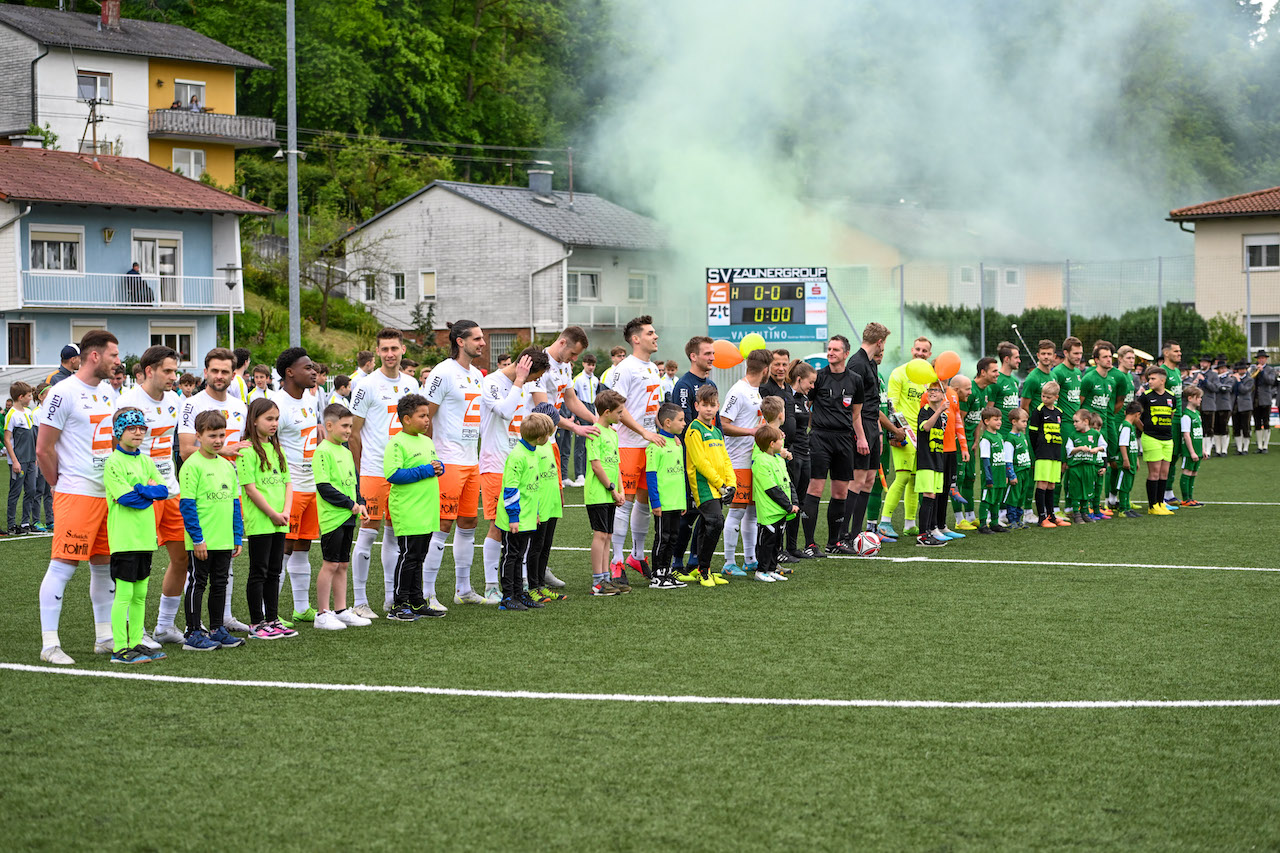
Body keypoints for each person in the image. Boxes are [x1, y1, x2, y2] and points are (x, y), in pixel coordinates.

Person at [35, 330, 122, 665]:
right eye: (113, 355)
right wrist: (59, 484)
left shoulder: (108, 392)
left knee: (104, 566)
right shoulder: (63, 392)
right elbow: (43, 449)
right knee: (63, 566)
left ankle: (104, 637)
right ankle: (50, 645)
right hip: (76, 493)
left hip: (106, 494)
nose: (118, 361)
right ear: (95, 356)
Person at [119, 346, 190, 646]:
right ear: (149, 371)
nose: (174, 377)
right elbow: (116, 451)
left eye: (175, 370)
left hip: (170, 492)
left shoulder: (175, 400)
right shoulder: (128, 402)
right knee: (136, 565)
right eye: (168, 371)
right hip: (141, 497)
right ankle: (133, 631)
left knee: (182, 558)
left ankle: (164, 625)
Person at [349, 327, 421, 616]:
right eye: (384, 349)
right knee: (367, 533)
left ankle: (392, 597)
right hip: (374, 471)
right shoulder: (365, 385)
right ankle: (359, 601)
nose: (390, 354)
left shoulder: (411, 383)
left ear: (403, 349)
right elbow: (354, 432)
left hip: (402, 473)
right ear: (377, 352)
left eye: (394, 348)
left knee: (394, 535)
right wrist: (359, 471)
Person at [422, 320, 487, 611]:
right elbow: (425, 418)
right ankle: (427, 593)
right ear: (460, 341)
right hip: (447, 460)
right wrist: (427, 457)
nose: (482, 343)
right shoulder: (442, 372)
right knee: (442, 524)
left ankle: (464, 589)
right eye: (477, 338)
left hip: (471, 461)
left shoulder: (476, 375)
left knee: (469, 523)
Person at [530, 327, 600, 586]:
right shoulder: (538, 364)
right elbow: (543, 408)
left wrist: (595, 420)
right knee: (537, 511)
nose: (574, 359)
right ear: (561, 343)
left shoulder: (565, 367)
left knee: (552, 508)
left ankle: (540, 569)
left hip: (551, 444)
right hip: (533, 444)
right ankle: (529, 573)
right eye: (573, 353)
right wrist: (574, 426)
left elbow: (571, 400)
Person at [102, 407, 170, 664]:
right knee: (124, 595)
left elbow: (163, 491)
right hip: (124, 538)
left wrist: (140, 489)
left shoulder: (146, 461)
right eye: (132, 428)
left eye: (142, 428)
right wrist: (145, 491)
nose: (138, 432)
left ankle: (136, 642)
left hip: (145, 538)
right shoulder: (113, 462)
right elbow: (127, 499)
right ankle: (120, 648)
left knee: (140, 594)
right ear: (119, 432)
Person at [478, 348, 546, 601]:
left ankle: (522, 584)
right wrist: (519, 380)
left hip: (520, 462)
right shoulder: (492, 382)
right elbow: (505, 411)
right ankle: (491, 586)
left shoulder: (524, 385)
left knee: (525, 524)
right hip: (496, 463)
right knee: (498, 526)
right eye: (534, 376)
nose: (534, 381)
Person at [178, 410, 246, 651]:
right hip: (202, 541)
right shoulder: (191, 465)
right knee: (198, 583)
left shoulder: (227, 465)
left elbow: (235, 503)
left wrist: (237, 535)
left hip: (224, 538)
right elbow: (187, 506)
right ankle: (193, 633)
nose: (218, 441)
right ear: (198, 436)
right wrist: (198, 539)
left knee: (220, 583)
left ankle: (217, 629)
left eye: (221, 435)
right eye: (212, 436)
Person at [610, 316, 666, 580]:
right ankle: (616, 561)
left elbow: (654, 408)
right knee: (624, 503)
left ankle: (637, 555)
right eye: (650, 333)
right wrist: (643, 432)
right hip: (628, 446)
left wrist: (666, 433)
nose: (656, 337)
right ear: (636, 339)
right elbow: (616, 408)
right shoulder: (624, 369)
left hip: (650, 446)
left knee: (645, 502)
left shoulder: (653, 368)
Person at [238, 397, 296, 640]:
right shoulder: (246, 450)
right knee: (259, 572)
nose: (274, 424)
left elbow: (288, 483)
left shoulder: (277, 448)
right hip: (261, 521)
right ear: (254, 420)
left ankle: (272, 619)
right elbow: (250, 489)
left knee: (274, 571)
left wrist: (285, 512)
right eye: (269, 419)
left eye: (276, 419)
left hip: (280, 521)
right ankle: (256, 623)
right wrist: (273, 514)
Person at [383, 393, 446, 621]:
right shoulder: (397, 442)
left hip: (427, 509)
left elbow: (432, 465)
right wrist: (427, 470)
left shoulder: (427, 441)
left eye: (427, 415)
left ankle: (417, 602)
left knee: (419, 556)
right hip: (408, 510)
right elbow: (393, 474)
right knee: (409, 556)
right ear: (407, 419)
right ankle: (399, 604)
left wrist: (439, 467)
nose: (427, 419)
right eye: (422, 416)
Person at [271, 347, 322, 623]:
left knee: (304, 545)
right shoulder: (275, 403)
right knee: (283, 549)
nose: (313, 372)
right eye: (307, 367)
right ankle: (270, 613)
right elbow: (266, 445)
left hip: (312, 486)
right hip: (289, 488)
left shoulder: (312, 399)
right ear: (290, 372)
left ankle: (301, 608)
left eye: (313, 367)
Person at [800, 335, 860, 558]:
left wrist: (855, 434)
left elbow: (856, 412)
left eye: (836, 349)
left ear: (846, 354)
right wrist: (815, 427)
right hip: (820, 438)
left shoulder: (855, 380)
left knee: (841, 491)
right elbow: (807, 405)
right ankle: (809, 544)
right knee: (815, 488)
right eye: (829, 349)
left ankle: (834, 542)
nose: (831, 352)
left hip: (844, 439)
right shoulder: (819, 377)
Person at [312, 403, 371, 630]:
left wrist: (361, 503)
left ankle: (341, 610)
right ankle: (322, 614)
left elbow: (354, 483)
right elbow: (324, 487)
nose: (349, 430)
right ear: (329, 425)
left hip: (349, 516)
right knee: (330, 564)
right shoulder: (323, 451)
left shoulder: (346, 452)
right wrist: (350, 504)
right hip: (332, 518)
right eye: (345, 426)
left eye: (350, 426)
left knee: (343, 564)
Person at [844, 324, 898, 545]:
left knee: (869, 481)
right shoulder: (857, 363)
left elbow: (873, 402)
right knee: (857, 481)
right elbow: (853, 406)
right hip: (861, 427)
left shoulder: (871, 363)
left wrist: (880, 434)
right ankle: (844, 535)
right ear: (879, 342)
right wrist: (861, 435)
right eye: (884, 343)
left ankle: (857, 533)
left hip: (873, 428)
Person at [495, 412, 554, 611]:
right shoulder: (517, 456)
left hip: (527, 517)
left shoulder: (534, 452)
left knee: (520, 556)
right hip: (514, 519)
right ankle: (507, 597)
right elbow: (510, 489)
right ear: (540, 438)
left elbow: (532, 488)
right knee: (511, 555)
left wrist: (535, 512)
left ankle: (520, 593)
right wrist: (513, 517)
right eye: (548, 434)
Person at [669, 336, 717, 573]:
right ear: (693, 356)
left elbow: (715, 424)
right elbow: (684, 426)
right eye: (707, 353)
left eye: (713, 353)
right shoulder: (684, 386)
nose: (712, 357)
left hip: (710, 460)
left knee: (707, 512)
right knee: (688, 513)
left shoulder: (711, 385)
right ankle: (677, 561)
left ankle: (695, 560)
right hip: (691, 461)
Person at [878, 336, 932, 539]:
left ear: (929, 354)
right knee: (902, 476)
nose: (920, 353)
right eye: (917, 349)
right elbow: (891, 404)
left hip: (923, 435)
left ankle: (910, 524)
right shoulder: (899, 372)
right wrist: (896, 431)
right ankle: (884, 522)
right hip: (904, 433)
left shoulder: (929, 377)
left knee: (915, 479)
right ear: (912, 350)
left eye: (924, 351)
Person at [720, 348, 769, 573]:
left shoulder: (755, 391)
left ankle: (750, 559)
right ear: (765, 369)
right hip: (737, 460)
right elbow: (723, 423)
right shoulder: (738, 391)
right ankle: (729, 563)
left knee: (752, 513)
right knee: (737, 511)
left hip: (752, 460)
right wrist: (751, 432)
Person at [680, 385, 732, 588]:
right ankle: (703, 570)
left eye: (712, 405)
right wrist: (721, 484)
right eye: (704, 405)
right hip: (703, 486)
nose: (708, 409)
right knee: (716, 521)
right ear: (696, 406)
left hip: (719, 486)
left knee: (707, 525)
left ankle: (704, 568)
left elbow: (725, 459)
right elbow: (700, 462)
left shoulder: (717, 431)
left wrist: (731, 484)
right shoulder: (694, 429)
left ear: (718, 406)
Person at [585, 389, 626, 595]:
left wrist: (621, 490)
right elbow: (596, 466)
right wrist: (611, 488)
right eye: (619, 412)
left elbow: (616, 464)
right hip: (597, 493)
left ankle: (606, 578)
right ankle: (597, 581)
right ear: (607, 412)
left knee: (608, 535)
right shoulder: (594, 433)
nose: (622, 416)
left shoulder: (613, 433)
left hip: (611, 493)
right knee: (600, 535)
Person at [528, 402, 569, 603]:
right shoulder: (533, 448)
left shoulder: (551, 445)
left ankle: (541, 585)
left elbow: (555, 471)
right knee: (536, 546)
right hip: (539, 503)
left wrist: (559, 493)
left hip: (551, 501)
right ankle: (532, 586)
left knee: (546, 545)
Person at [645, 402, 689, 589]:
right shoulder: (655, 446)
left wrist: (683, 500)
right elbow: (651, 476)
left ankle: (666, 571)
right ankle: (657, 575)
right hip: (663, 503)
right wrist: (655, 502)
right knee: (662, 538)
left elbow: (680, 474)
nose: (684, 423)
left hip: (676, 501)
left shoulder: (678, 443)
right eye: (681, 420)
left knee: (673, 538)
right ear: (668, 422)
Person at [751, 424, 797, 579]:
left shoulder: (778, 460)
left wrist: (794, 502)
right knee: (767, 542)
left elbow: (788, 483)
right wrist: (788, 506)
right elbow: (771, 489)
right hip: (769, 512)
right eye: (780, 440)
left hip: (781, 511)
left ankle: (771, 569)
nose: (782, 442)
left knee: (777, 543)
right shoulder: (760, 461)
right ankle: (761, 571)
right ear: (772, 443)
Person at [783, 360, 815, 558]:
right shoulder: (787, 396)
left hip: (805, 453)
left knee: (800, 501)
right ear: (799, 379)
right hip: (792, 455)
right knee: (789, 500)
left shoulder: (804, 399)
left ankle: (792, 547)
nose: (812, 386)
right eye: (810, 382)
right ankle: (780, 548)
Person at [1049, 336, 1084, 518]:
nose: (1079, 357)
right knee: (1061, 467)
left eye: (1080, 353)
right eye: (1075, 353)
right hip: (1063, 426)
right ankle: (1054, 507)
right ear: (1065, 353)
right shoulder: (1058, 372)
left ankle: (1071, 506)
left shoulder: (1078, 373)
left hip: (1076, 426)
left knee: (1074, 467)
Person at [914, 383, 950, 546]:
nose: (932, 392)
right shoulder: (925, 411)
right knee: (928, 496)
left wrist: (942, 412)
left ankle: (929, 531)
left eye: (936, 390)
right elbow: (926, 427)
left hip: (937, 460)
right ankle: (922, 535)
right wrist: (940, 410)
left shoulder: (944, 416)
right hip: (926, 460)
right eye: (930, 390)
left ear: (943, 394)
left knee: (933, 496)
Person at [1028, 380, 1067, 528]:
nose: (1044, 399)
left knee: (1051, 484)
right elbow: (1032, 434)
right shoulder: (1038, 411)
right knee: (1042, 483)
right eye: (1043, 396)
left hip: (1055, 453)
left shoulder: (1059, 413)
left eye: (1048, 397)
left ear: (1056, 397)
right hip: (1043, 453)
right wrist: (1038, 450)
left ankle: (1051, 516)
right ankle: (1042, 517)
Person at [1138, 365, 1176, 516]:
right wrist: (1145, 430)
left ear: (1162, 380)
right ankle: (1152, 505)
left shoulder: (1171, 396)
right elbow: (1135, 416)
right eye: (1149, 379)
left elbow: (1171, 416)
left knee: (1164, 473)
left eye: (1153, 379)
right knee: (1154, 473)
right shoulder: (1145, 396)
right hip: (1151, 438)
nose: (1150, 381)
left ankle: (1161, 503)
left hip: (1167, 439)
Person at [5, 381, 37, 535]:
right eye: (29, 396)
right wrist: (15, 461)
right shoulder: (11, 414)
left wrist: (35, 457)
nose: (31, 398)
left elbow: (32, 436)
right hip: (18, 461)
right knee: (15, 492)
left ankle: (25, 523)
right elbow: (7, 439)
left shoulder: (29, 412)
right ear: (20, 397)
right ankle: (11, 525)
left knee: (31, 490)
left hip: (31, 460)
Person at [974, 406, 1011, 535]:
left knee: (997, 500)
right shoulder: (986, 438)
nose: (999, 422)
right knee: (987, 499)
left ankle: (995, 523)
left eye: (1000, 419)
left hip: (1000, 475)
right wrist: (988, 478)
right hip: (991, 476)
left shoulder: (1000, 436)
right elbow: (985, 460)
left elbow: (1003, 457)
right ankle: (983, 524)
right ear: (986, 421)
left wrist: (1006, 474)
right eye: (996, 419)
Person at [1156, 340, 1184, 509]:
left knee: (1174, 456)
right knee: (1166, 457)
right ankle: (1162, 494)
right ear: (1166, 353)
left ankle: (1168, 492)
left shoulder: (1177, 371)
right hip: (1168, 419)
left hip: (1179, 418)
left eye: (1179, 351)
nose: (1179, 354)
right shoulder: (1162, 372)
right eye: (1176, 351)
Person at [1064, 410, 1104, 525]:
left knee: (1087, 489)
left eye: (1076, 421)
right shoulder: (1073, 435)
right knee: (1075, 490)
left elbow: (1103, 446)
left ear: (1086, 421)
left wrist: (1097, 449)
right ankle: (1076, 513)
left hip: (1089, 467)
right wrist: (1080, 448)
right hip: (1076, 467)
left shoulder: (1095, 434)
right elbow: (1069, 450)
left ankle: (1084, 513)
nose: (1074, 424)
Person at [570, 353, 600, 486]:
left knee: (592, 445)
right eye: (589, 364)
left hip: (592, 412)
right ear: (583, 364)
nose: (591, 367)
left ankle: (589, 472)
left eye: (593, 365)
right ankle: (579, 475)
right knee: (580, 446)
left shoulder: (596, 380)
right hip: (581, 411)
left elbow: (597, 398)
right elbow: (573, 399)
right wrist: (576, 417)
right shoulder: (577, 379)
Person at [1005, 408, 1033, 529]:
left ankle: (1018, 519)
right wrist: (1011, 475)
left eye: (1026, 421)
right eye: (1023, 421)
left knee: (1021, 496)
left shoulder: (1022, 436)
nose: (1025, 424)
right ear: (1014, 422)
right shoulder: (1010, 438)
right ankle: (1011, 520)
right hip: (1017, 472)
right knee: (1013, 496)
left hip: (1025, 470)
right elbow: (1008, 459)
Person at [1178, 386, 1206, 508]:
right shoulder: (1186, 416)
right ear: (1190, 398)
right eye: (1198, 397)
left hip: (1198, 449)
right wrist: (1192, 452)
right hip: (1190, 450)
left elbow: (1200, 433)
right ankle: (1185, 499)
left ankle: (1191, 497)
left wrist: (1203, 449)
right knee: (1187, 471)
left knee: (1194, 472)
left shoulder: (1197, 414)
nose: (1200, 400)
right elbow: (1186, 435)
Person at [1116, 402, 1143, 518]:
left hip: (1131, 460)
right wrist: (1125, 459)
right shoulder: (1126, 426)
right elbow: (1122, 444)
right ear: (1137, 414)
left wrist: (1136, 459)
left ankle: (1127, 507)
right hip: (1126, 462)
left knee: (1128, 485)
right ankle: (1123, 509)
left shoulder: (1130, 426)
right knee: (1124, 486)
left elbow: (1132, 445)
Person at [1019, 339, 1056, 416]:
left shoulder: (1054, 376)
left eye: (1049, 354)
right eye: (1043, 354)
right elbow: (1024, 406)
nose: (1046, 357)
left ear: (1054, 356)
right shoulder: (1032, 378)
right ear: (1038, 355)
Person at [1250, 350, 1275, 453]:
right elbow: (1250, 380)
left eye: (1262, 358)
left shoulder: (1270, 369)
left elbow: (1271, 381)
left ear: (1266, 359)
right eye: (1259, 358)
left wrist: (1262, 371)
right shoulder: (1253, 369)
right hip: (1255, 399)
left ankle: (1265, 445)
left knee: (1266, 422)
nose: (1261, 360)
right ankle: (1259, 445)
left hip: (1265, 399)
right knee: (1257, 422)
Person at [1231, 360, 1254, 456]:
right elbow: (1230, 390)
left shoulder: (1249, 379)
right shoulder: (1233, 379)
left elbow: (1244, 390)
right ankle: (1239, 448)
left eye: (1243, 369)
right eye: (1240, 369)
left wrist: (1238, 381)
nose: (1241, 371)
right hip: (1235, 405)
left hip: (1245, 406)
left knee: (1245, 427)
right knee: (1236, 427)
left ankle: (1245, 448)